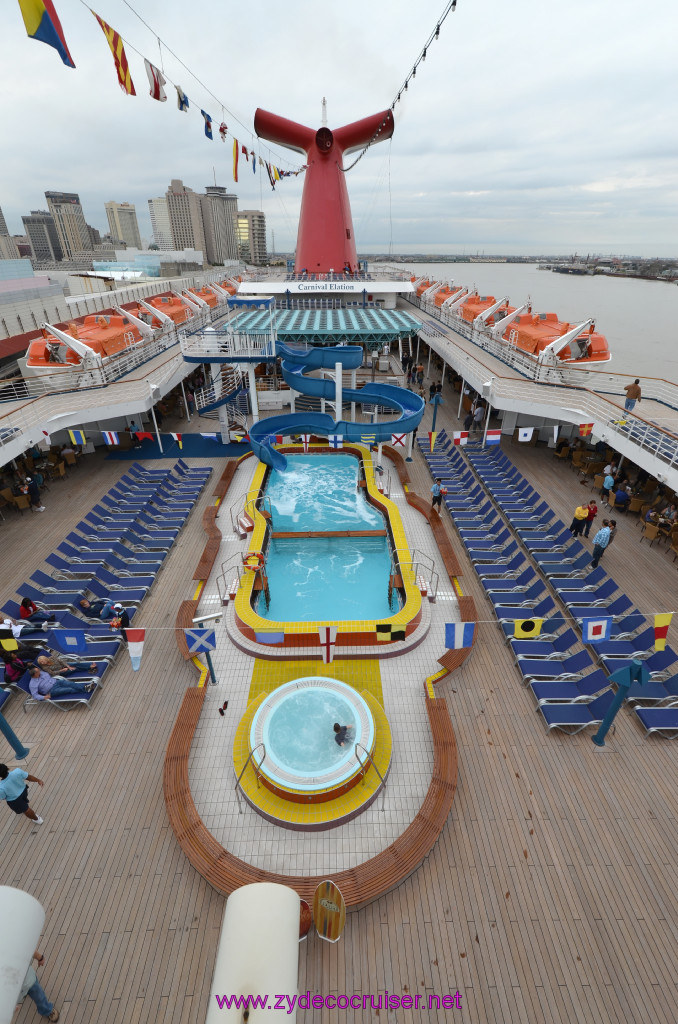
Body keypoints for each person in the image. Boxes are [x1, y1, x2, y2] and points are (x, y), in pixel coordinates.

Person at [15, 949, 60, 1021]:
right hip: (12, 991)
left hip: (28, 981)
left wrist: (40, 958)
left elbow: (28, 948)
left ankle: (47, 1010)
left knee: (39, 997)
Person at [28, 665, 97, 701]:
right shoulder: (33, 684)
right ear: (35, 674)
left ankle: (86, 687)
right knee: (68, 689)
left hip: (57, 682)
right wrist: (44, 697)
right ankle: (85, 688)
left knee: (71, 684)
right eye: (38, 671)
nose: (40, 671)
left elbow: (50, 675)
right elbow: (35, 695)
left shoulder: (42, 673)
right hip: (52, 691)